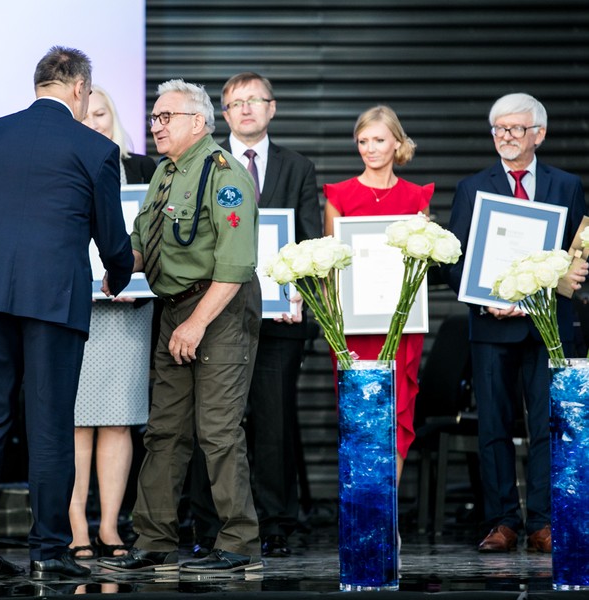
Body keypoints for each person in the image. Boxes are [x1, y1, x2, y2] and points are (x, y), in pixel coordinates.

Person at [0, 46, 133, 581]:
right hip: (54, 303)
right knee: (48, 427)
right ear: (77, 88)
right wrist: (118, 276)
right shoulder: (93, 148)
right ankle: (48, 554)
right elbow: (112, 237)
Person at [97, 79, 261, 575]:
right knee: (165, 432)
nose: (155, 126)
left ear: (197, 121)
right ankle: (154, 540)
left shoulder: (223, 172)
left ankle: (238, 542)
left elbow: (234, 267)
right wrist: (120, 267)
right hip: (175, 310)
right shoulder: (165, 173)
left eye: (165, 117)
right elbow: (145, 240)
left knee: (217, 431)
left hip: (218, 311)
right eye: (153, 118)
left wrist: (194, 324)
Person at [443, 93, 587, 554]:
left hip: (548, 327)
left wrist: (571, 273)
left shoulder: (566, 185)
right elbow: (454, 262)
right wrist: (486, 300)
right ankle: (502, 522)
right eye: (499, 129)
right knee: (494, 426)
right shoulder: (471, 187)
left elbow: (576, 255)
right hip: (491, 326)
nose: (505, 137)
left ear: (538, 134)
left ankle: (544, 523)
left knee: (549, 425)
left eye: (515, 129)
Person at [189, 71, 322, 559]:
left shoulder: (298, 167)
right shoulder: (202, 162)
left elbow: (309, 242)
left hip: (279, 320)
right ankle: (208, 527)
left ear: (272, 108)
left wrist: (298, 296)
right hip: (216, 316)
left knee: (273, 423)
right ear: (222, 115)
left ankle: (277, 523)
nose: (245, 109)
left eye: (254, 101)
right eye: (235, 103)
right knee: (213, 422)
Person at [68, 86, 156, 560]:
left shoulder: (143, 170)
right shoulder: (63, 165)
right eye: (87, 114)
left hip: (128, 312)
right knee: (79, 422)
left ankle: (109, 526)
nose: (96, 121)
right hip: (78, 309)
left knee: (119, 421)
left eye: (102, 113)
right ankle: (77, 522)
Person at [323, 105, 432, 484]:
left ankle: (387, 518)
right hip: (354, 327)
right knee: (359, 418)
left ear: (397, 143)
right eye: (363, 141)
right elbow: (330, 268)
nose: (369, 148)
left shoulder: (417, 198)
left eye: (379, 140)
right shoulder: (339, 196)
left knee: (397, 418)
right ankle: (361, 512)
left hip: (400, 327)